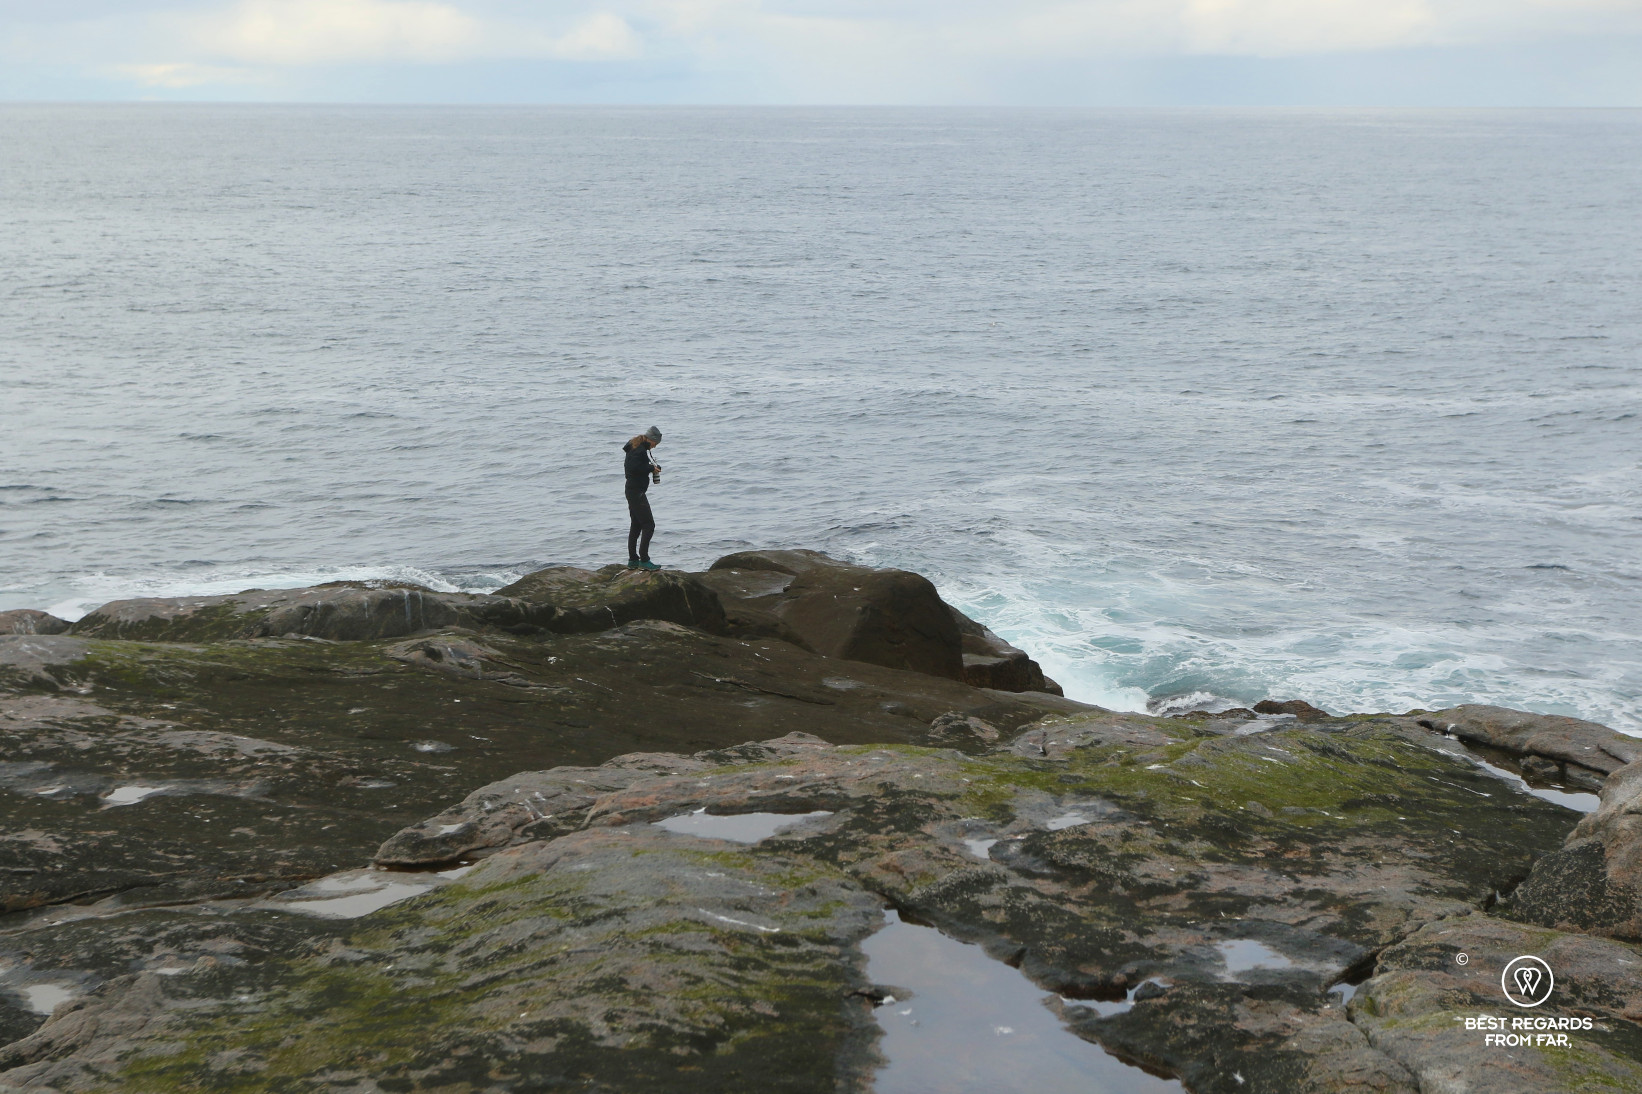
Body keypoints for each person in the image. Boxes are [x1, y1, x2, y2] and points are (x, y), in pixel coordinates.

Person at [622, 426, 663, 569]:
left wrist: (650, 467)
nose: (655, 446)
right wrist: (651, 468)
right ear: (650, 439)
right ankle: (644, 560)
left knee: (636, 525)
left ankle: (633, 560)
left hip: (632, 491)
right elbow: (634, 468)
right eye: (655, 443)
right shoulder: (639, 450)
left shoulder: (636, 446)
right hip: (636, 492)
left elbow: (634, 467)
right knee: (649, 525)